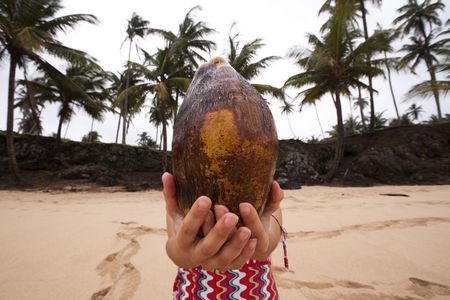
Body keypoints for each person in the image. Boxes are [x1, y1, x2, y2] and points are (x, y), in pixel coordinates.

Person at [162, 172, 285, 299]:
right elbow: (174, 249)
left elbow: (267, 245)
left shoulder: (267, 195)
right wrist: (186, 252)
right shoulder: (182, 193)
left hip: (256, 291)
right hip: (194, 292)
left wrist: (258, 243)